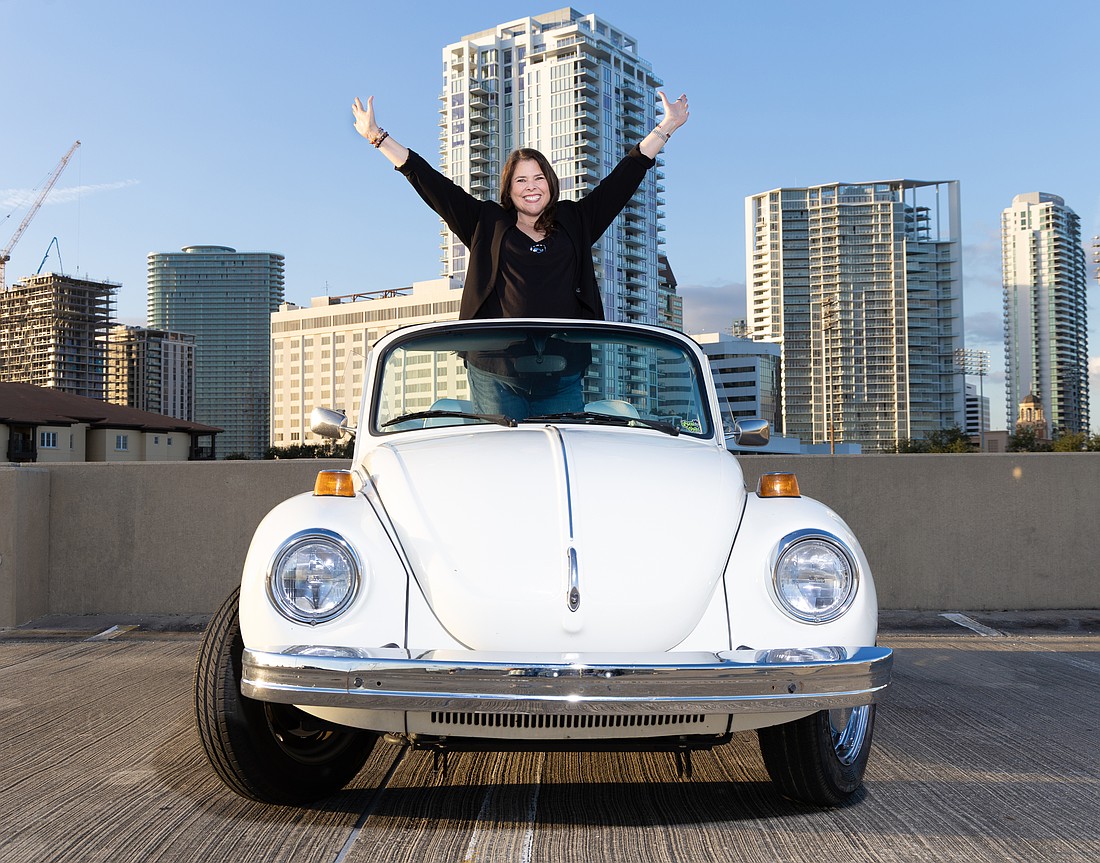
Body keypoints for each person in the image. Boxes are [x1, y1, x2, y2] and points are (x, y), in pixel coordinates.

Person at [351, 91, 689, 417]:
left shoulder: (576, 220)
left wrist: (666, 127)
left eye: (538, 178)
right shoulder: (486, 222)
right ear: (509, 190)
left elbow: (624, 178)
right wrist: (378, 137)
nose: (531, 186)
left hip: (562, 372)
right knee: (502, 461)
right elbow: (430, 183)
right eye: (521, 180)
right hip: (494, 372)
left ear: (550, 184)